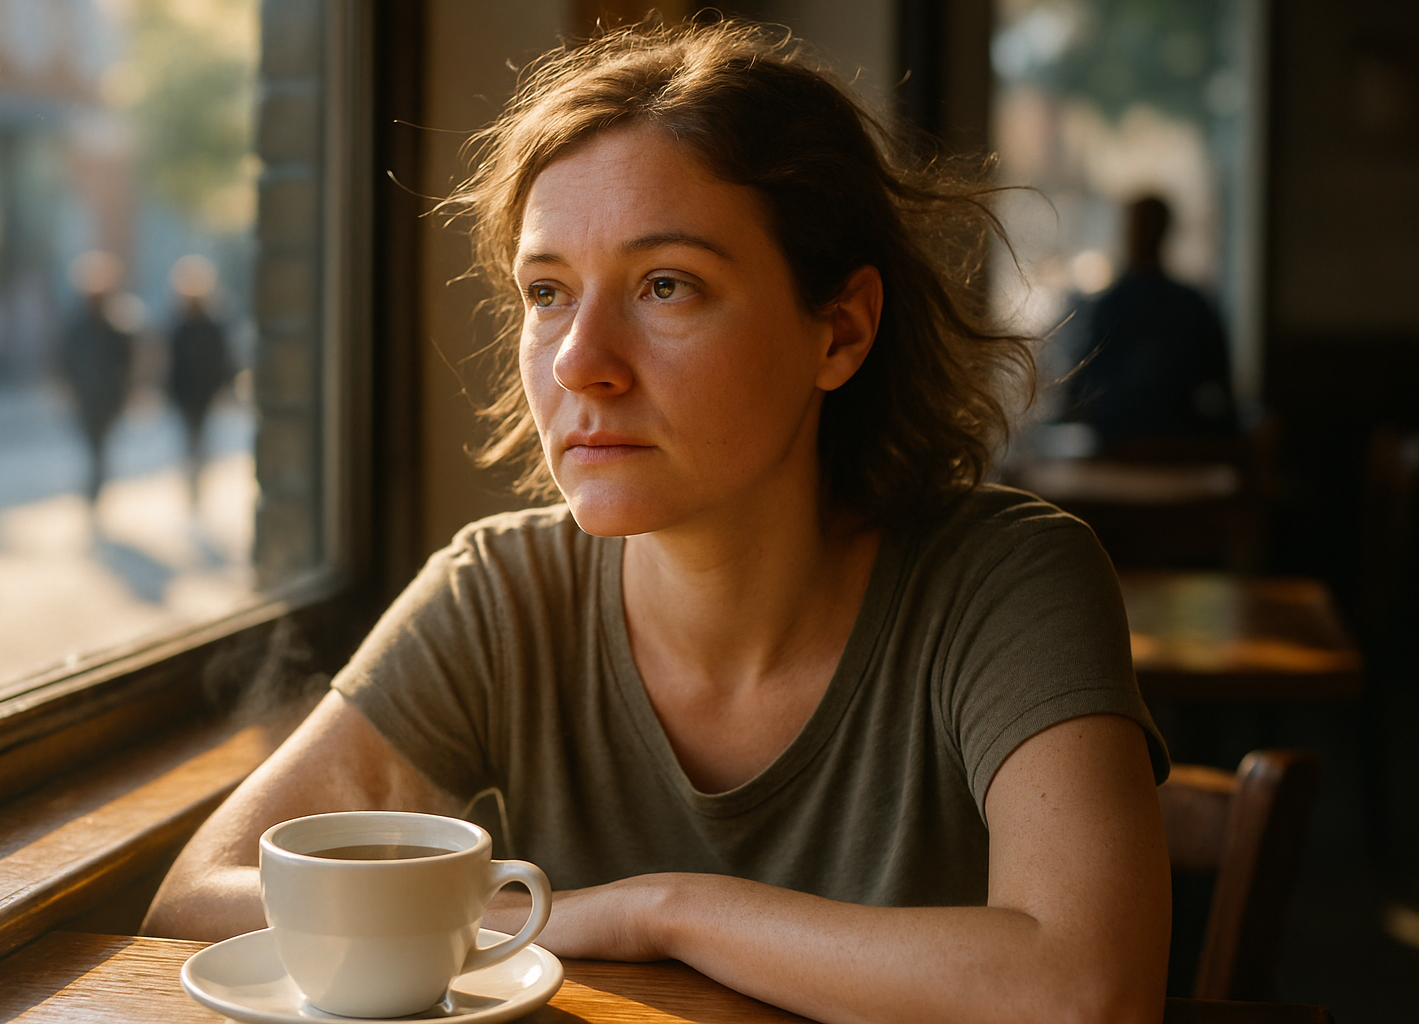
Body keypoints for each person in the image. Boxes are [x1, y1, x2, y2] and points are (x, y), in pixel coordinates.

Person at [144, 20, 1172, 1024]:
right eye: (547, 291)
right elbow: (202, 896)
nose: (580, 360)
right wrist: (602, 915)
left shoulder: (1006, 580)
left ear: (842, 330)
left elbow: (1085, 987)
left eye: (665, 284)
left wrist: (667, 909)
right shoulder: (503, 595)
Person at [1061, 195, 1239, 450]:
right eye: (1138, 225)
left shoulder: (1188, 306)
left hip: (1174, 446)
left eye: (1147, 225)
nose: (1141, 234)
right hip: (1124, 445)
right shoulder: (1112, 305)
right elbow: (1079, 391)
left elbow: (1218, 388)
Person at [59, 251, 135, 506]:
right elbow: (65, 360)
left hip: (107, 397)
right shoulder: (77, 326)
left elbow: (126, 364)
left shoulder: (116, 327)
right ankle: (95, 480)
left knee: (100, 444)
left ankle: (96, 481)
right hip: (87, 396)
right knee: (93, 443)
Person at [165, 255, 233, 510]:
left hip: (204, 393)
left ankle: (197, 486)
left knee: (200, 442)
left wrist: (224, 388)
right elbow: (171, 363)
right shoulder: (179, 325)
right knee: (192, 442)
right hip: (186, 394)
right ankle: (193, 487)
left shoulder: (212, 325)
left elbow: (223, 360)